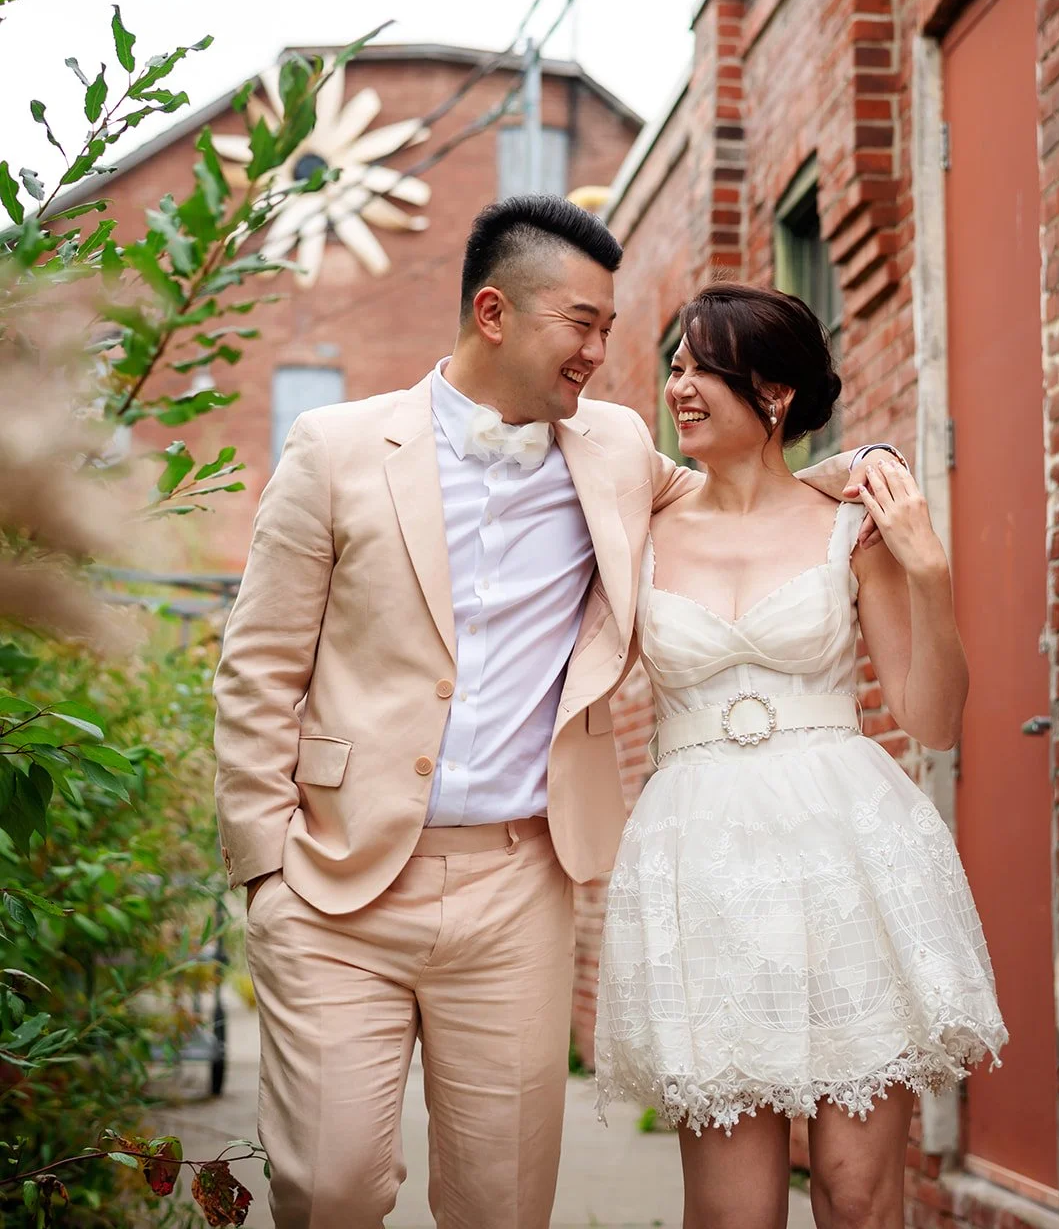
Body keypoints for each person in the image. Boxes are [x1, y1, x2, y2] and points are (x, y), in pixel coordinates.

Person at [214, 198, 891, 1229]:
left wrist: (851, 473)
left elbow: (737, 487)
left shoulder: (614, 448)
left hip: (518, 885)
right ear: (495, 311)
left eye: (610, 328)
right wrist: (264, 868)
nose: (602, 353)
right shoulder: (335, 446)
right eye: (583, 323)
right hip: (334, 882)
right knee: (331, 1184)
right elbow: (258, 667)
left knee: (502, 1205)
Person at [595, 281, 1006, 1229]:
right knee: (735, 1214)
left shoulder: (848, 527)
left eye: (703, 367)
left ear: (773, 394)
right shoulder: (641, 529)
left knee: (857, 1196)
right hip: (704, 866)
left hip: (844, 860)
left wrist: (930, 573)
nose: (677, 385)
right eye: (677, 366)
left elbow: (932, 719)